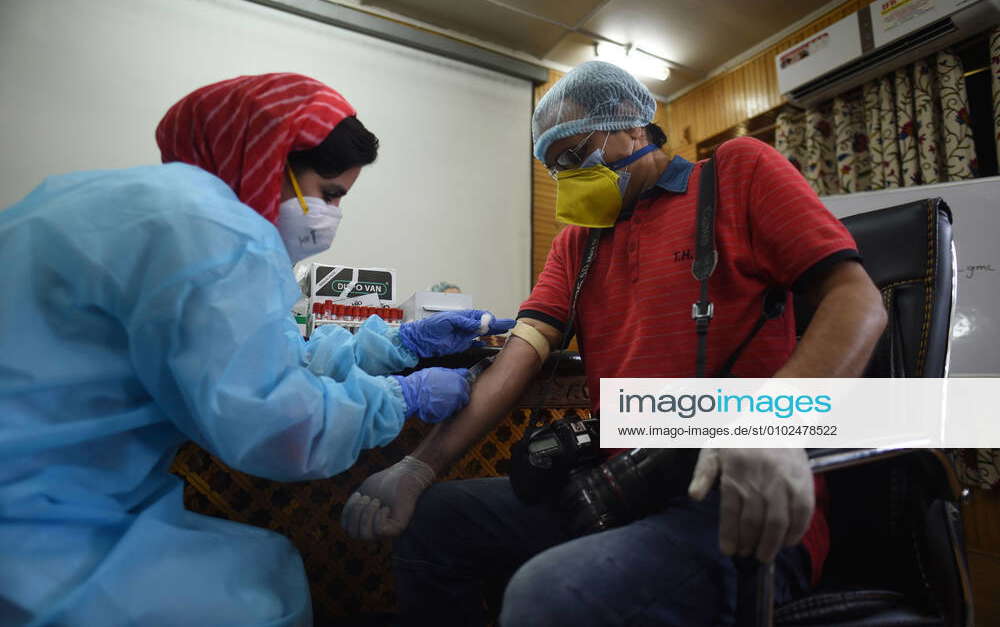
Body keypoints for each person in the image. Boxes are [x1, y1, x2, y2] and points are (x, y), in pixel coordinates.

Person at [342, 61, 887, 626]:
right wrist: (418, 467)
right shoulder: (578, 245)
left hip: (733, 500)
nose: (568, 179)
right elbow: (518, 357)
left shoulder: (735, 174)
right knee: (435, 521)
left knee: (546, 593)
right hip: (619, 489)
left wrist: (774, 425)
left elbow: (858, 301)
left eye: (576, 157)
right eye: (556, 169)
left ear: (632, 125)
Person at [0, 73, 512, 626]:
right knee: (261, 594)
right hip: (35, 519)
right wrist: (399, 397)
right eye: (330, 193)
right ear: (272, 158)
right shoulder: (212, 230)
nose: (331, 216)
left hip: (52, 485)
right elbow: (272, 420)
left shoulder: (137, 203)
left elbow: (260, 357)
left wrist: (399, 343)